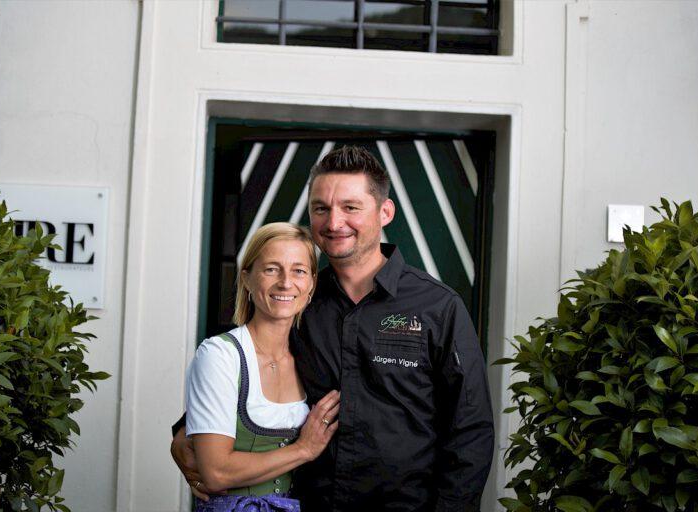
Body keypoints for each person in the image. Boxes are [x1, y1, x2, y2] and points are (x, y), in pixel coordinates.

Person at [172, 146, 494, 511]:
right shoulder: (299, 303)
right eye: (321, 208)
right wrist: (183, 434)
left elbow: (471, 432)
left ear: (385, 212)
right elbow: (245, 376)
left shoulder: (437, 306)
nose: (334, 222)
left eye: (350, 207)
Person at [183, 222, 340, 511]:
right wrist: (303, 449)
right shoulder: (220, 355)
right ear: (246, 278)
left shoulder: (313, 358)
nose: (285, 282)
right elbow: (216, 472)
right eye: (271, 269)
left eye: (299, 271)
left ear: (311, 285)